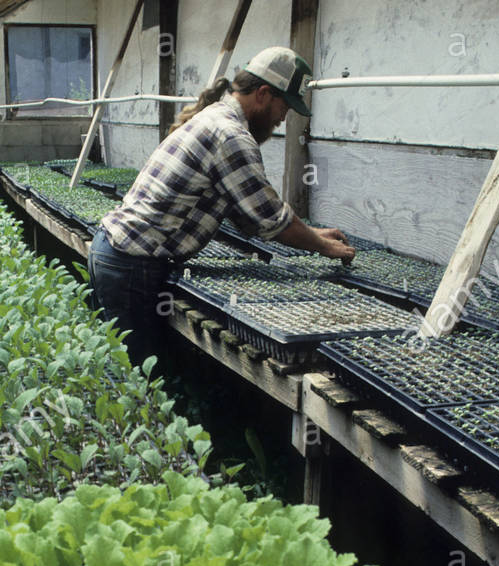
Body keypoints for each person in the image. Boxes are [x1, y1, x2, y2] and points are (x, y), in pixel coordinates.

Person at [87, 46, 356, 367]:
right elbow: (270, 219)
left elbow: (247, 216)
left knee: (131, 368)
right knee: (138, 377)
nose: (283, 118)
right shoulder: (231, 136)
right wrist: (324, 247)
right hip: (131, 265)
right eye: (284, 106)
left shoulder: (215, 118)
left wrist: (312, 233)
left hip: (117, 256)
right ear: (263, 93)